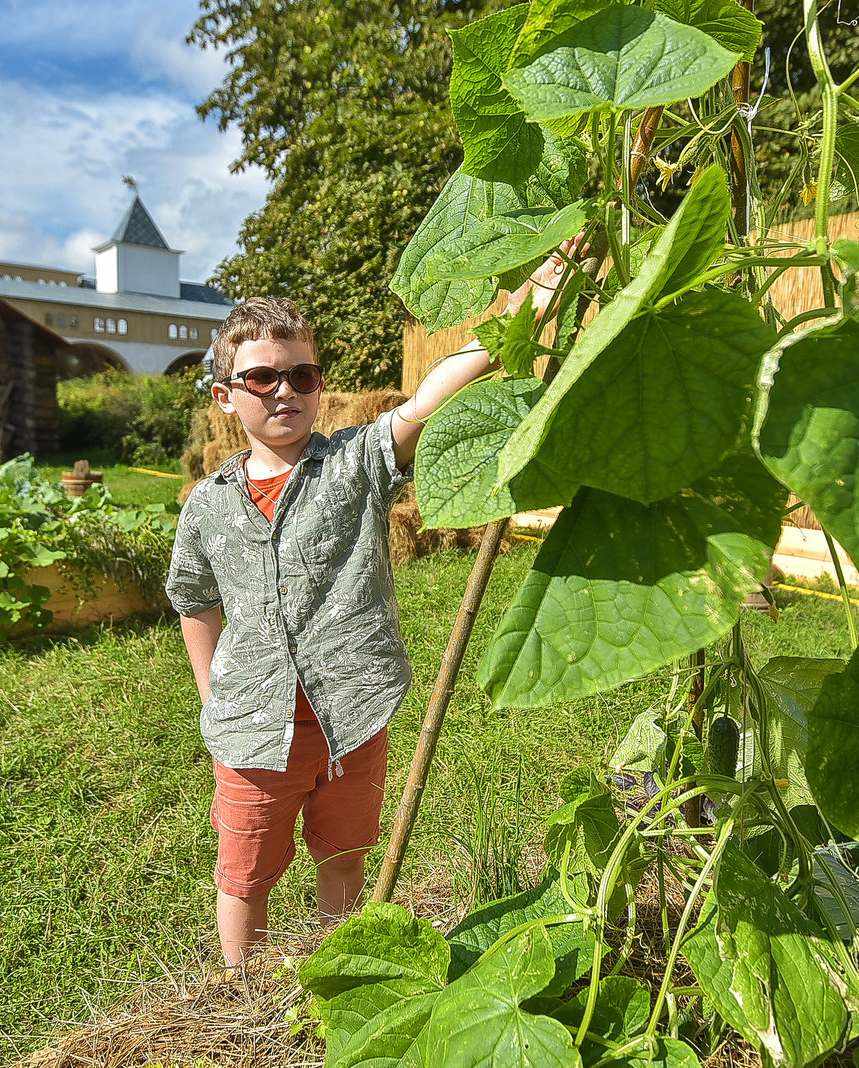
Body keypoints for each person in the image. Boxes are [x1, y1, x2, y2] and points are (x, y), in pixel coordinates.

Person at [165, 242, 578, 965]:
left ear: (320, 385)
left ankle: (342, 972)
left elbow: (427, 397)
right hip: (251, 733)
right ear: (226, 395)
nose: (285, 390)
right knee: (244, 876)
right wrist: (212, 703)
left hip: (352, 715)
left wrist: (526, 304)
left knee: (346, 860)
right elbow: (195, 602)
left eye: (303, 374)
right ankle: (236, 997)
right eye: (262, 377)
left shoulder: (355, 464)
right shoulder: (206, 506)